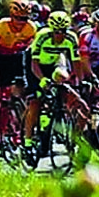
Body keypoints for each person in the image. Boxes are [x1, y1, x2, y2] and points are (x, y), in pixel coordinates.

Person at [28, 11, 87, 141]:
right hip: (35, 65)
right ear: (51, 30)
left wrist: (80, 81)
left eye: (63, 31)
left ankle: (58, 111)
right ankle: (28, 139)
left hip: (53, 63)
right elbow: (34, 64)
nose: (60, 35)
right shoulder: (42, 36)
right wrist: (43, 79)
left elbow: (76, 62)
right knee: (35, 102)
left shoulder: (71, 38)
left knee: (63, 78)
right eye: (57, 32)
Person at [0, 0, 38, 116]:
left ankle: (14, 116)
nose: (22, 22)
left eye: (25, 18)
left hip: (16, 57)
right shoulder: (1, 26)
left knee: (19, 87)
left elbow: (32, 53)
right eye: (18, 18)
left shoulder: (31, 28)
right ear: (11, 16)